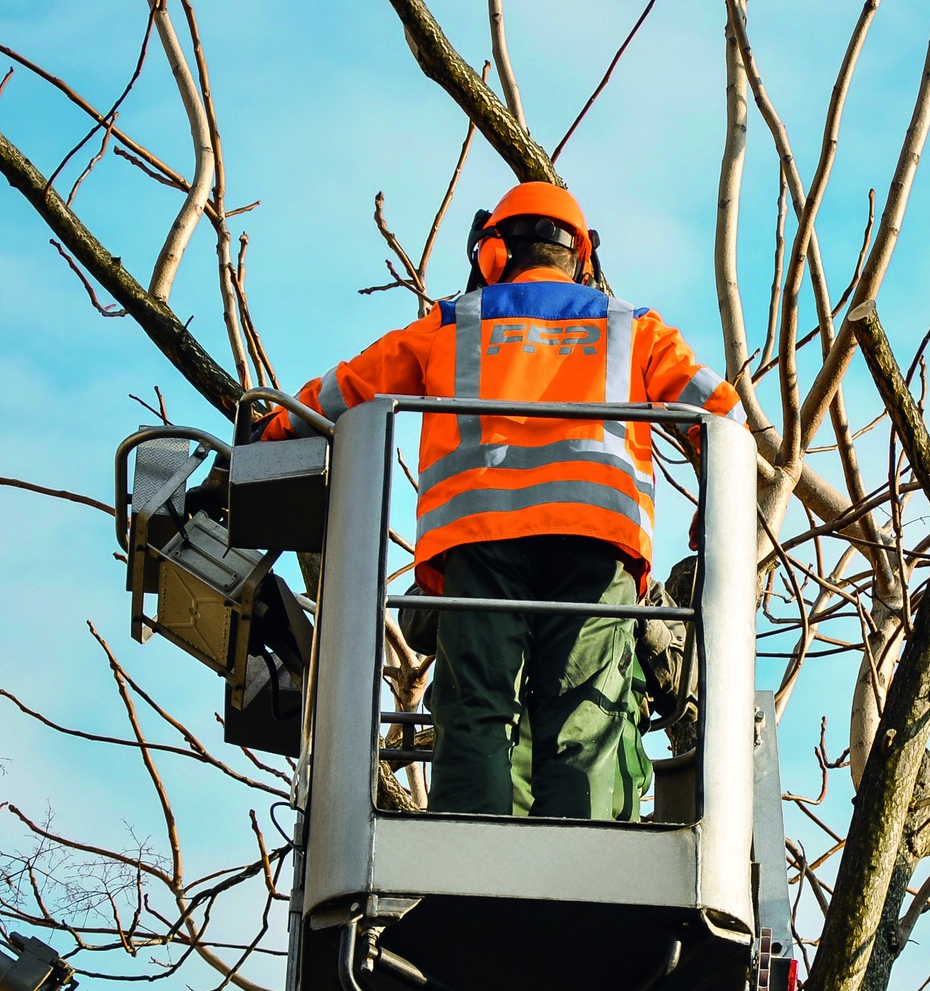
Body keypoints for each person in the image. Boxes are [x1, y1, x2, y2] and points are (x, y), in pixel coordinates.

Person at [258, 182, 742, 819]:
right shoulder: (634, 330)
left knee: (479, 709)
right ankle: (582, 864)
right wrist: (724, 506)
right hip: (598, 540)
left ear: (491, 254)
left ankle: (470, 856)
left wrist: (270, 432)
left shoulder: (452, 324)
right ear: (584, 259)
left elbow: (343, 391)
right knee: (586, 710)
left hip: (482, 539)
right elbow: (717, 412)